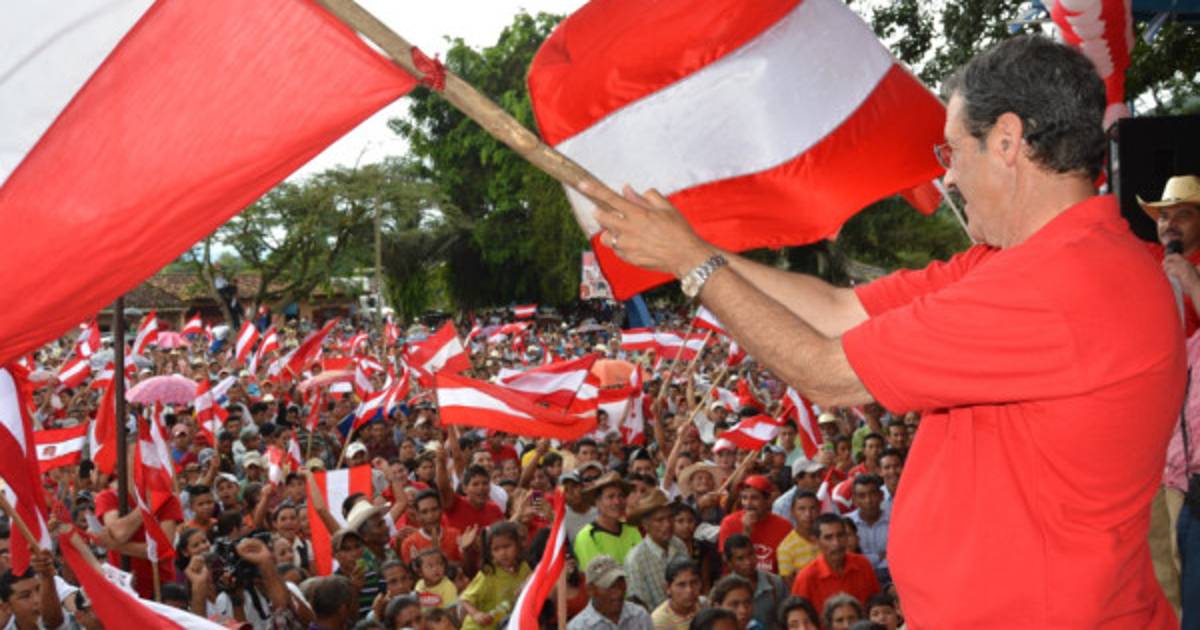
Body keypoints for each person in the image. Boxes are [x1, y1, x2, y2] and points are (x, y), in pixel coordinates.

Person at [585, 34, 1184, 628]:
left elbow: (825, 372)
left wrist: (693, 264)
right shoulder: (1016, 264)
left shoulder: (1064, 285)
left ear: (1006, 141)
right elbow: (837, 309)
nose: (949, 178)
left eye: (952, 152)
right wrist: (689, 249)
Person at [789, 514, 878, 615]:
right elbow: (798, 617)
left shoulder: (862, 565)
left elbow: (876, 605)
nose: (836, 543)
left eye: (840, 535)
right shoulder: (806, 577)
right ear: (816, 541)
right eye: (828, 538)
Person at [624, 489, 688, 610]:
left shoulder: (678, 544)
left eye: (670, 518)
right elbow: (639, 607)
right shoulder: (636, 559)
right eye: (660, 520)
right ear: (645, 525)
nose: (667, 524)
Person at [459, 522, 530, 630]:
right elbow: (465, 599)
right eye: (496, 549)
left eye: (507, 546)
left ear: (518, 545)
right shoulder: (488, 574)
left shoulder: (524, 568)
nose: (502, 553)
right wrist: (476, 614)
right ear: (490, 552)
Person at [716, 476, 791, 573]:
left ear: (768, 500)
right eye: (744, 498)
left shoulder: (784, 526)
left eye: (754, 498)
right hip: (737, 580)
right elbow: (727, 562)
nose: (748, 503)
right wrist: (746, 532)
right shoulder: (729, 522)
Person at [566, 554, 653, 630]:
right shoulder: (578, 628)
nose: (619, 593)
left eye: (621, 584)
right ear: (590, 590)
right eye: (610, 586)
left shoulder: (639, 615)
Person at [574, 472, 642, 567]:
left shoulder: (632, 529)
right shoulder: (587, 536)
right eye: (610, 497)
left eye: (621, 496)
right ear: (598, 502)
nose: (617, 502)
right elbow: (596, 573)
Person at [722, 534, 787, 630]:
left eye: (751, 554)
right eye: (740, 558)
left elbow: (786, 617)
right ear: (729, 562)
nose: (748, 562)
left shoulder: (775, 583)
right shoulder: (723, 590)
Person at [845, 475, 888, 582]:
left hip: (891, 576)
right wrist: (878, 557)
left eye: (872, 494)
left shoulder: (894, 521)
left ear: (881, 496)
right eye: (862, 496)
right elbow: (846, 556)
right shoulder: (845, 523)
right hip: (856, 576)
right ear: (854, 500)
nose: (868, 500)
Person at [775, 491, 820, 582]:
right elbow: (791, 585)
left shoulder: (829, 537)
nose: (808, 514)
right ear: (793, 512)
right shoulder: (786, 548)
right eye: (802, 509)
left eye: (812, 508)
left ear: (819, 510)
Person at [651, 558, 703, 630]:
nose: (689, 590)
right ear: (668, 588)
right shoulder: (660, 621)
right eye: (681, 585)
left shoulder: (703, 605)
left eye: (694, 582)